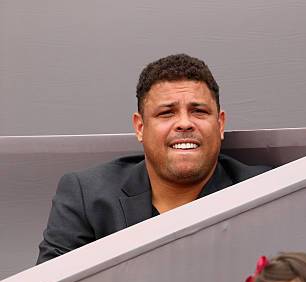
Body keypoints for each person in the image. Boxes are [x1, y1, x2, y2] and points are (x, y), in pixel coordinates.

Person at [37, 54, 270, 264]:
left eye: (198, 111)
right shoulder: (86, 196)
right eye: (166, 112)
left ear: (220, 124)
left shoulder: (264, 191)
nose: (185, 123)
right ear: (140, 127)